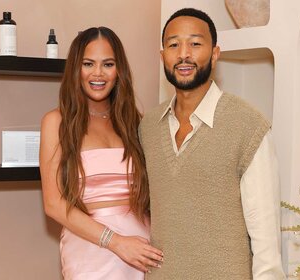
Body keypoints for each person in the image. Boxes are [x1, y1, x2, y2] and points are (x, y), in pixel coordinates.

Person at [139, 8, 286, 279]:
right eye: (173, 45)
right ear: (163, 57)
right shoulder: (147, 127)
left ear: (215, 53)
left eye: (195, 44)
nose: (184, 54)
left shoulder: (248, 125)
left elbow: (266, 242)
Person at [39, 27, 163, 280]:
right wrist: (116, 242)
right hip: (91, 251)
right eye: (88, 64)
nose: (98, 73)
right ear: (76, 69)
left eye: (108, 64)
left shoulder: (134, 122)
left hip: (142, 251)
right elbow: (53, 204)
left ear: (119, 72)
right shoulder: (56, 122)